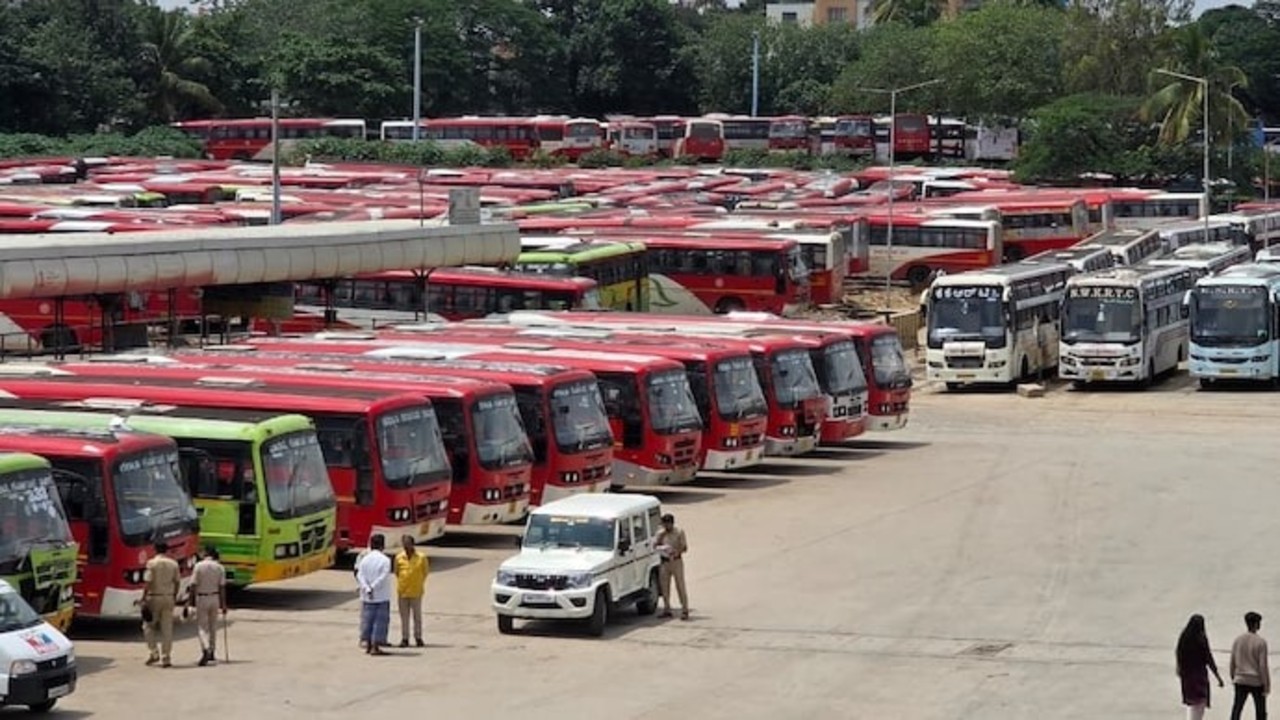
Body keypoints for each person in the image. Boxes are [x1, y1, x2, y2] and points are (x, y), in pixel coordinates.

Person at [141, 540, 180, 668]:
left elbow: (148, 581)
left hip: (154, 597)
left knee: (148, 626)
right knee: (167, 629)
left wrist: (143, 598)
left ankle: (154, 652)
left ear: (155, 549)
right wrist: (174, 596)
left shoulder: (151, 563)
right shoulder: (173, 564)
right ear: (167, 550)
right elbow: (177, 582)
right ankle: (166, 657)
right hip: (169, 597)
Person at [1177, 614, 1224, 720]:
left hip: (1187, 677)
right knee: (1200, 703)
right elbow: (1209, 658)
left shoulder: (1184, 637)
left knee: (1192, 704)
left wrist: (1180, 669)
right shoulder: (1201, 638)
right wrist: (1218, 676)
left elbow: (1179, 654)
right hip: (1199, 677)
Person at [189, 546, 228, 667]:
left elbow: (193, 585)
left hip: (202, 597)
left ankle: (205, 648)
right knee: (213, 626)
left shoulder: (199, 566)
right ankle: (212, 651)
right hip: (215, 597)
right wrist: (224, 605)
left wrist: (191, 602)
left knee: (202, 627)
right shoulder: (220, 567)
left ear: (206, 553)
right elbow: (222, 587)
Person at [355, 534, 393, 655]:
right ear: (383, 545)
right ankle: (375, 646)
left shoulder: (364, 559)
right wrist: (373, 587)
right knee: (380, 621)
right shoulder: (385, 560)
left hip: (367, 596)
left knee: (367, 620)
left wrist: (367, 588)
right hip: (381, 595)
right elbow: (383, 576)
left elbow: (360, 575)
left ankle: (368, 644)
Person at [1231, 611, 1270, 720]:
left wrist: (1233, 677)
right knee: (1261, 712)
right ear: (1257, 624)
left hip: (1240, 679)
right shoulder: (1261, 642)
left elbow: (1233, 661)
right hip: (1256, 681)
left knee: (1236, 710)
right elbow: (1263, 666)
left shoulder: (1237, 640)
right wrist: (1266, 684)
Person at [394, 535, 429, 648]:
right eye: (404, 544)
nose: (406, 546)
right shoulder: (399, 557)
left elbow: (425, 572)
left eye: (408, 543)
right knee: (404, 617)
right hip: (403, 591)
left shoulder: (421, 557)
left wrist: (418, 581)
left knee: (417, 616)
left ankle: (418, 637)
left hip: (416, 591)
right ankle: (405, 638)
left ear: (413, 544)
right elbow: (397, 572)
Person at [654, 513, 689, 621]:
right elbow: (655, 545)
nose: (665, 526)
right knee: (664, 586)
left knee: (680, 585)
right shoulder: (661, 533)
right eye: (664, 524)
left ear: (671, 523)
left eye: (667, 524)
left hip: (676, 561)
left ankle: (684, 609)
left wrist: (676, 551)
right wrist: (661, 539)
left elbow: (685, 547)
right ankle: (667, 608)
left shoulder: (679, 532)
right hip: (664, 562)